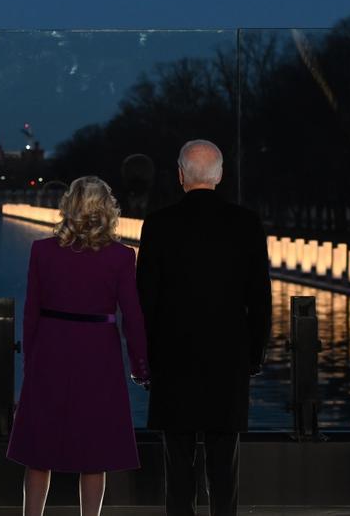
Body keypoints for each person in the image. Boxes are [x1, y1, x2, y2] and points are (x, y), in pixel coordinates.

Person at [136, 140, 271, 516]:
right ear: (220, 174)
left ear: (180, 175)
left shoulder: (159, 225)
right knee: (224, 467)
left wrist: (145, 358)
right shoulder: (246, 224)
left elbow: (145, 299)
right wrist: (255, 353)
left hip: (173, 360)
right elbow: (260, 298)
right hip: (227, 360)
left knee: (177, 469)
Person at [6, 176, 150, 516]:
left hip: (51, 352)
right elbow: (133, 317)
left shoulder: (41, 251)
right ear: (107, 209)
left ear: (69, 206)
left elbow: (31, 315)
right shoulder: (121, 256)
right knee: (94, 451)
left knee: (40, 451)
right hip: (98, 354)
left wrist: (30, 365)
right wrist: (140, 366)